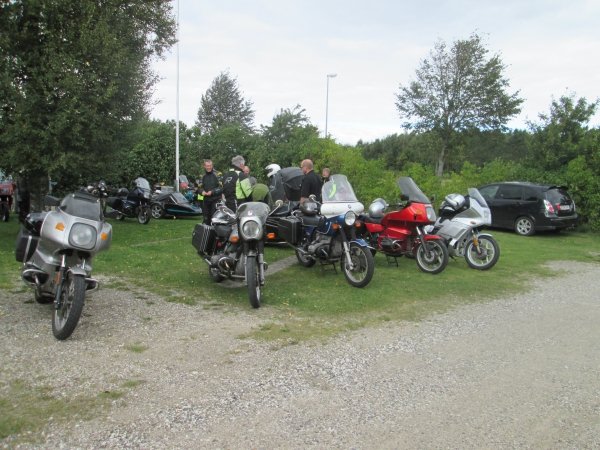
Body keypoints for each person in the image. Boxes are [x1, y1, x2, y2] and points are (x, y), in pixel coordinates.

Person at [200, 159, 221, 224]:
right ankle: (206, 229)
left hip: (215, 200)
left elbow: (221, 187)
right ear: (204, 166)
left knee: (214, 218)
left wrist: (212, 192)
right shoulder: (202, 175)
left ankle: (214, 230)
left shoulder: (218, 174)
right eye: (207, 166)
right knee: (206, 219)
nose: (209, 167)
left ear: (212, 166)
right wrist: (202, 191)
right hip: (205, 201)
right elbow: (198, 187)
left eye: (210, 165)